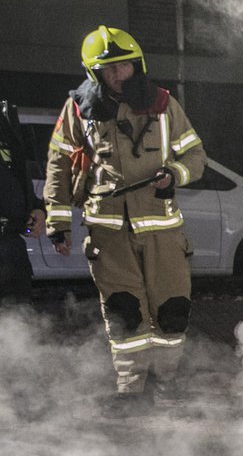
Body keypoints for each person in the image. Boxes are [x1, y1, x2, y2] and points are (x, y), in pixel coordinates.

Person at [42, 26, 206, 398]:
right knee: (124, 312)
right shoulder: (79, 109)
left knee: (171, 309)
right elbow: (59, 164)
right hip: (107, 232)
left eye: (125, 66)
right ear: (94, 73)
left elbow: (196, 156)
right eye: (109, 70)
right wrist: (58, 221)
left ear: (138, 65)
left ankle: (166, 381)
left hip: (163, 230)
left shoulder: (164, 105)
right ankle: (132, 388)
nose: (118, 76)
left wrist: (174, 175)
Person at [0, 101, 44, 307]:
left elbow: (16, 178)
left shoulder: (5, 120)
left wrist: (36, 207)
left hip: (10, 249)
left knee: (17, 323)